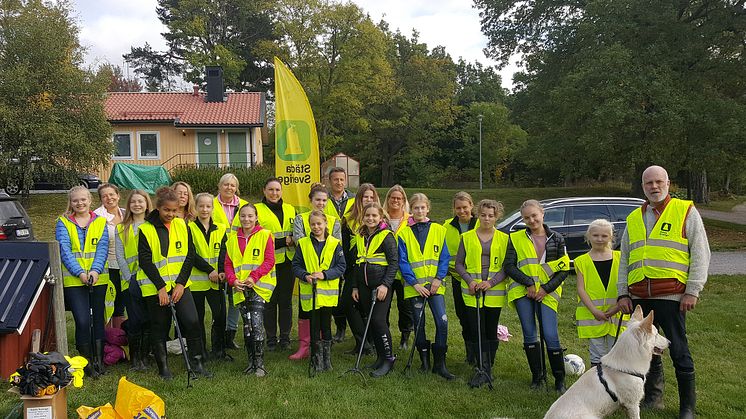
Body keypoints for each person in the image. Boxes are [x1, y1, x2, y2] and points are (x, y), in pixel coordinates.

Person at [616, 165, 710, 419]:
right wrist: (622, 293)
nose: (654, 187)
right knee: (646, 351)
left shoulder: (685, 211)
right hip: (639, 296)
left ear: (669, 183)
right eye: (649, 183)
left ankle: (687, 407)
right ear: (643, 186)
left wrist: (693, 289)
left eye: (659, 182)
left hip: (671, 295)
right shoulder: (634, 217)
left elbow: (700, 253)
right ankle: (653, 398)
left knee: (679, 350)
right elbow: (625, 258)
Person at [137, 187, 212, 380]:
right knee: (160, 326)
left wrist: (180, 284)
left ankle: (197, 363)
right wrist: (161, 287)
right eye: (166, 210)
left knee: (192, 321)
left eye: (174, 211)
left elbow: (189, 256)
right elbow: (145, 261)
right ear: (158, 208)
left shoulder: (182, 225)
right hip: (156, 287)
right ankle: (163, 368)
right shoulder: (145, 229)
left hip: (180, 286)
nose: (170, 214)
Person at [505, 199, 571, 393]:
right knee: (529, 333)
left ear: (542, 213)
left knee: (550, 335)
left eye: (534, 215)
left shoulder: (557, 238)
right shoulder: (515, 238)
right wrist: (528, 284)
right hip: (523, 291)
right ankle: (538, 377)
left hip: (547, 293)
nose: (531, 220)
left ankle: (559, 379)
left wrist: (545, 289)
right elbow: (509, 266)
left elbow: (564, 269)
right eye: (527, 218)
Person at [398, 193, 454, 380]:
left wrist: (438, 278)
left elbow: (444, 257)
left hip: (435, 287)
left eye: (423, 207)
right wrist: (415, 283)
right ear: (410, 210)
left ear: (428, 208)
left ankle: (440, 364)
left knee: (442, 321)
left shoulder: (439, 229)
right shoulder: (404, 233)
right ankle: (424, 362)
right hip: (415, 287)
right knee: (419, 324)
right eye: (416, 208)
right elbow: (403, 262)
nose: (420, 211)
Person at [56, 186, 110, 377]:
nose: (80, 203)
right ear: (70, 202)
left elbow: (102, 248)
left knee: (97, 320)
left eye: (83, 200)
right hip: (74, 280)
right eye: (75, 200)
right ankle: (85, 362)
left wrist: (95, 271)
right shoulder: (63, 223)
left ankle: (99, 360)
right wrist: (80, 273)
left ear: (90, 200)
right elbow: (64, 251)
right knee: (82, 320)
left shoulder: (101, 222)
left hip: (98, 279)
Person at [456, 199, 509, 388]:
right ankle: (480, 367)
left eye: (491, 216)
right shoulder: (468, 237)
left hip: (493, 291)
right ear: (478, 215)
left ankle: (488, 367)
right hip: (472, 292)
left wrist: (491, 282)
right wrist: (470, 281)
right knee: (476, 329)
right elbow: (459, 264)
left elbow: (506, 267)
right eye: (483, 215)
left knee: (490, 329)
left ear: (497, 217)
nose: (487, 218)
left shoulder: (504, 239)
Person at [289, 184, 341, 360]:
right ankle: (305, 346)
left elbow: (335, 246)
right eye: (317, 199)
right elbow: (299, 242)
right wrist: (307, 272)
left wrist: (324, 272)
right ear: (311, 200)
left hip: (326, 278)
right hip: (307, 272)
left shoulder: (334, 221)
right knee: (306, 312)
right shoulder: (300, 219)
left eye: (324, 200)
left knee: (324, 316)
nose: (321, 203)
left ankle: (322, 349)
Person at [225, 203, 276, 377]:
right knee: (246, 327)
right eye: (243, 216)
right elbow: (228, 264)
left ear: (256, 217)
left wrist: (254, 277)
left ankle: (260, 363)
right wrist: (233, 281)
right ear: (239, 218)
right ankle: (250, 361)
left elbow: (269, 260)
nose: (246, 219)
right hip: (240, 288)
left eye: (250, 216)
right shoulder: (232, 240)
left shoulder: (265, 235)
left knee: (256, 324)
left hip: (259, 287)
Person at [292, 210, 346, 372]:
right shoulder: (303, 244)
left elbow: (341, 266)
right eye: (313, 224)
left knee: (326, 325)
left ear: (325, 224)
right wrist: (305, 275)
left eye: (319, 223)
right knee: (314, 325)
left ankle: (326, 359)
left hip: (327, 294)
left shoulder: (335, 243)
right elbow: (295, 266)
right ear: (309, 226)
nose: (316, 227)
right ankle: (316, 359)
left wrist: (324, 274)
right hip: (311, 293)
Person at [352, 202, 399, 378]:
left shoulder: (386, 236)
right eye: (367, 216)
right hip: (363, 285)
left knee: (379, 321)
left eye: (374, 216)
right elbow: (358, 261)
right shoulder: (360, 235)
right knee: (371, 321)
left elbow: (394, 262)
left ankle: (389, 358)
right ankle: (380, 357)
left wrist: (386, 284)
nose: (370, 219)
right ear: (362, 217)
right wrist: (356, 286)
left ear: (381, 217)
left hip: (381, 286)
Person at [575, 219, 625, 367]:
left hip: (617, 314)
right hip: (592, 316)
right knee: (597, 354)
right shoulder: (581, 261)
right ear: (588, 236)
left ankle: (615, 386)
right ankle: (598, 385)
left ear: (611, 237)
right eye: (595, 235)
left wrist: (616, 308)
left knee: (616, 352)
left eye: (604, 236)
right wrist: (594, 311)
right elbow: (580, 289)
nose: (599, 239)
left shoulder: (620, 257)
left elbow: (626, 284)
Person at [255, 177, 296, 351]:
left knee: (285, 302)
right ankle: (271, 338)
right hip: (268, 264)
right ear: (264, 190)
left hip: (288, 262)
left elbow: (295, 234)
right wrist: (282, 242)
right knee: (270, 302)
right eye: (271, 189)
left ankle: (285, 338)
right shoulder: (256, 210)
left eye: (277, 190)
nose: (274, 193)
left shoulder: (290, 209)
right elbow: (257, 237)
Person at [115, 190, 153, 371]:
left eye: (141, 201)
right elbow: (120, 255)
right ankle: (135, 359)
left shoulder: (153, 225)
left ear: (147, 204)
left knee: (148, 319)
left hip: (151, 281)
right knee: (135, 320)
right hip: (130, 280)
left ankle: (146, 357)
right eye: (134, 202)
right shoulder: (122, 228)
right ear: (129, 205)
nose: (137, 205)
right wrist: (129, 277)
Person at [189, 193, 229, 361]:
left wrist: (220, 271)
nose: (205, 209)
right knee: (197, 318)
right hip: (196, 282)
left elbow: (224, 252)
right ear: (196, 208)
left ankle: (219, 350)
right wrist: (209, 270)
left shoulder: (221, 228)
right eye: (201, 206)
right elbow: (190, 254)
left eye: (208, 206)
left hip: (216, 281)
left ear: (213, 208)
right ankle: (201, 351)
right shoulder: (188, 228)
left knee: (220, 316)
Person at [212, 173, 248, 351]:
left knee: (235, 296)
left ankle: (230, 334)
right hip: (215, 253)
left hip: (237, 253)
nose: (229, 188)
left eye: (232, 185)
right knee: (218, 298)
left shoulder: (243, 205)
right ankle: (217, 335)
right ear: (219, 186)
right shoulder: (211, 204)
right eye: (225, 184)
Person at [343, 183, 380, 355]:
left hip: (372, 270)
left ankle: (369, 343)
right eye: (365, 197)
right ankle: (362, 342)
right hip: (352, 269)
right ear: (359, 198)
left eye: (371, 197)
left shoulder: (379, 219)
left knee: (367, 306)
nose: (368, 200)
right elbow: (343, 246)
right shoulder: (349, 219)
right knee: (348, 304)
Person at [443, 191, 478, 365]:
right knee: (463, 316)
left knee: (477, 317)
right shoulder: (447, 226)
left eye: (465, 207)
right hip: (457, 278)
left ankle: (481, 353)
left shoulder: (481, 224)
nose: (462, 211)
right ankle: (470, 353)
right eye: (458, 208)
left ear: (472, 206)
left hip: (478, 280)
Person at [324, 168, 355, 343]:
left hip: (350, 251)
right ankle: (340, 328)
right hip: (331, 252)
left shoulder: (353, 199)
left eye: (342, 179)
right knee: (333, 293)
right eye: (335, 179)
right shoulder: (324, 200)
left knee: (347, 295)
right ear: (330, 181)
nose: (339, 182)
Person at [382, 185, 414, 350]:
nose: (395, 200)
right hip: (384, 269)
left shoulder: (410, 219)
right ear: (388, 199)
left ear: (403, 201)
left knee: (405, 306)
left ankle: (405, 337)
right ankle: (383, 336)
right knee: (384, 306)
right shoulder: (381, 217)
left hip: (403, 270)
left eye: (398, 198)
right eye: (392, 197)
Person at [94, 183, 126, 329]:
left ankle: (119, 338)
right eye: (105, 196)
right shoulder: (96, 217)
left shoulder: (126, 213)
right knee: (107, 303)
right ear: (101, 199)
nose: (109, 198)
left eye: (112, 194)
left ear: (118, 196)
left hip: (126, 266)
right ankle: (106, 340)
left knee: (121, 303)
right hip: (107, 266)